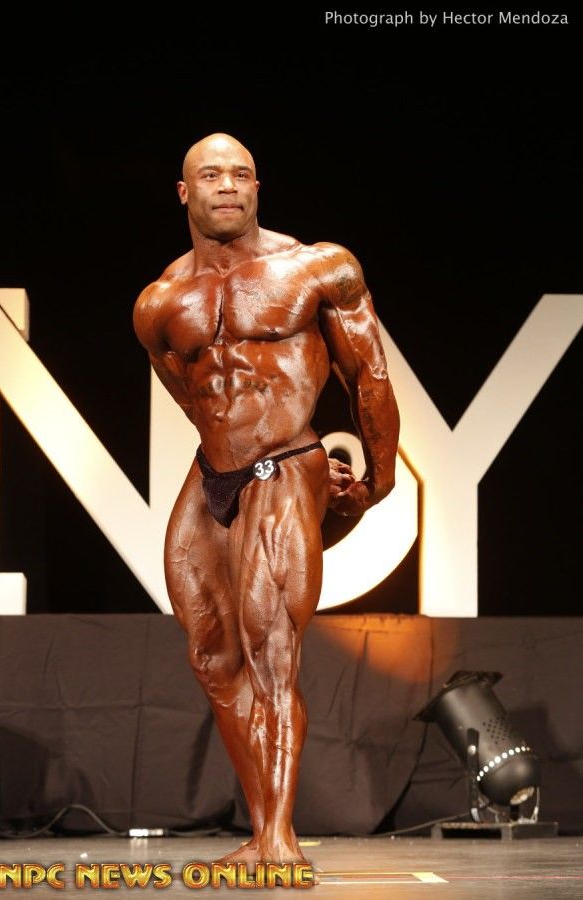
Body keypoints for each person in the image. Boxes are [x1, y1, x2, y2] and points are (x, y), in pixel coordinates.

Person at [133, 133, 400, 866]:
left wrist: (377, 477)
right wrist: (226, 455)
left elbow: (369, 374)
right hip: (212, 473)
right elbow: (191, 397)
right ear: (184, 192)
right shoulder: (158, 302)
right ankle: (261, 833)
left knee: (272, 649)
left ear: (257, 188)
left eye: (241, 174)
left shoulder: (317, 267)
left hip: (284, 462)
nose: (228, 185)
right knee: (212, 657)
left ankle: (280, 842)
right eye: (210, 175)